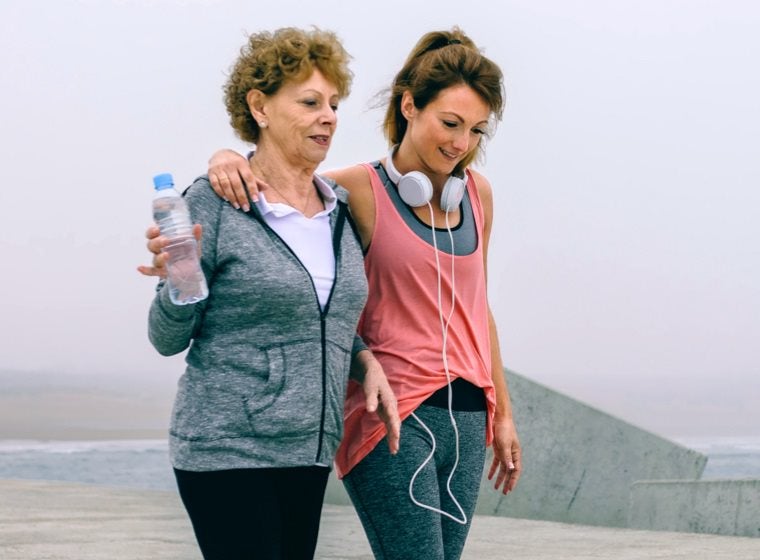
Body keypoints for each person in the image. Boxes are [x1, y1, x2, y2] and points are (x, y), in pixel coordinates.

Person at [150, 27, 522, 560]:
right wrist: (222, 160)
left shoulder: (448, 198)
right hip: (358, 422)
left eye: (476, 131)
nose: (462, 143)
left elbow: (468, 309)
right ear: (410, 106)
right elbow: (274, 183)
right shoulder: (351, 194)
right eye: (450, 123)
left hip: (406, 425)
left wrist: (499, 411)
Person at [140, 27, 400, 560]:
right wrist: (177, 284)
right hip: (227, 447)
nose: (329, 115)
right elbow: (166, 339)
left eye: (333, 103)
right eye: (309, 102)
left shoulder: (340, 212)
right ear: (259, 106)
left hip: (309, 451)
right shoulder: (213, 201)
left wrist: (364, 361)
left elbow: (323, 320)